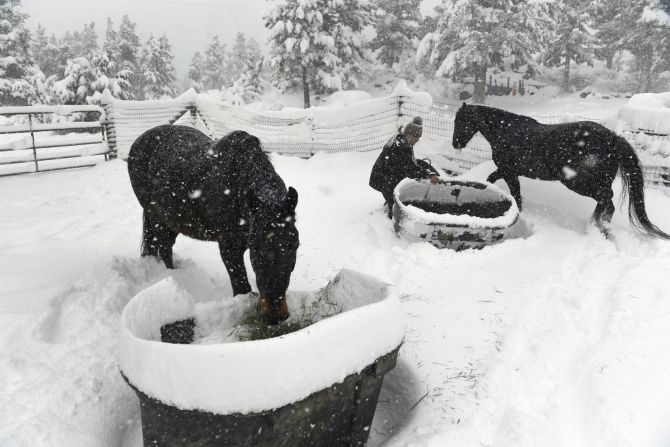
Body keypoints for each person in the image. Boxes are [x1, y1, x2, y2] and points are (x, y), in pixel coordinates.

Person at [369, 116, 440, 219]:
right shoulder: (402, 147)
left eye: (419, 137)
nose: (417, 140)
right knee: (395, 206)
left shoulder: (401, 140)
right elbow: (411, 169)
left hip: (385, 175)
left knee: (417, 166)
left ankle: (391, 202)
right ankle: (392, 217)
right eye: (416, 137)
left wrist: (425, 171)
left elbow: (409, 163)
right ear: (409, 135)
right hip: (384, 179)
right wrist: (428, 175)